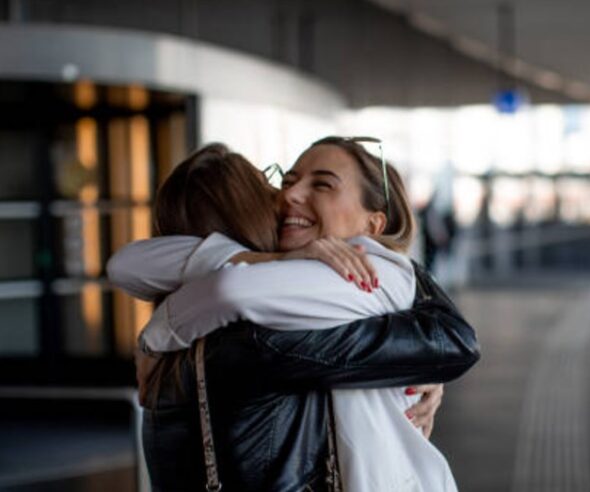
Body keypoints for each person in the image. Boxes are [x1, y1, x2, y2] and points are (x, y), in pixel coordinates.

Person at [108, 141, 479, 491]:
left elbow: (446, 337)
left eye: (322, 184)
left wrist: (155, 334)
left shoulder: (357, 271)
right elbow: (447, 340)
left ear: (374, 224)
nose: (287, 197)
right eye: (281, 185)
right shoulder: (257, 323)